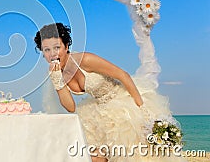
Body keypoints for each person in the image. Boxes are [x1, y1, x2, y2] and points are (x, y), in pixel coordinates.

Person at [34, 23, 186, 162]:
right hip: (97, 110)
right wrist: (57, 81)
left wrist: (143, 109)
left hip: (122, 102)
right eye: (47, 50)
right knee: (94, 157)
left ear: (66, 46)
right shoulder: (56, 73)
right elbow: (70, 107)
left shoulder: (85, 60)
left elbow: (123, 75)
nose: (52, 53)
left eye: (57, 47)